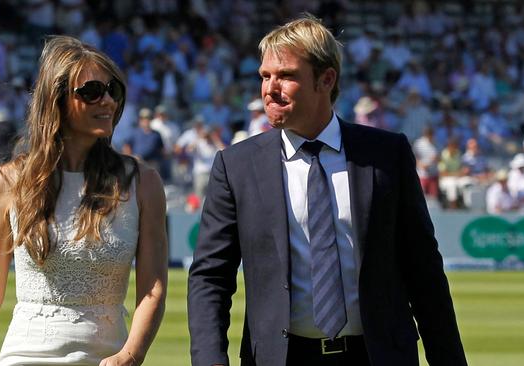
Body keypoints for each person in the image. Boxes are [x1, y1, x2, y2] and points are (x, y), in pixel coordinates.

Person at [188, 14, 466, 366]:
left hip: (377, 356)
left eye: (286, 76)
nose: (269, 88)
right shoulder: (236, 165)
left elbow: (423, 271)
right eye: (264, 76)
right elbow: (211, 276)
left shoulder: (386, 154)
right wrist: (210, 360)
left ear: (326, 79)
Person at [0, 35, 167, 366]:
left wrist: (131, 355)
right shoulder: (7, 182)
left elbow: (153, 289)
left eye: (114, 90)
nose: (107, 101)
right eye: (92, 92)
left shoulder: (143, 183)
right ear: (56, 101)